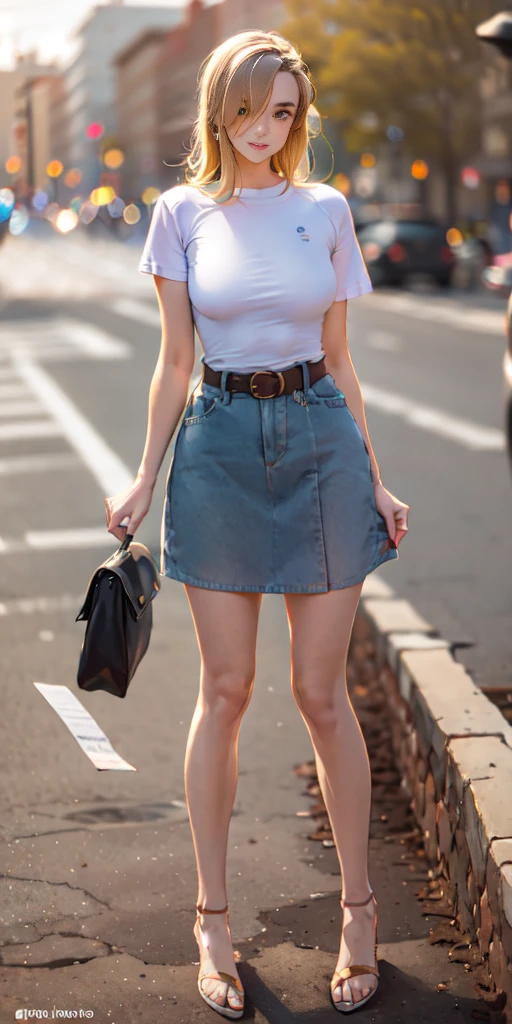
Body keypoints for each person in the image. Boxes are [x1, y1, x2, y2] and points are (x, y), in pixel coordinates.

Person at [104, 29, 409, 1019]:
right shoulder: (180, 213)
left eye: (282, 112)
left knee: (319, 695)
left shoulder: (323, 208)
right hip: (220, 446)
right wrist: (143, 474)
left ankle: (359, 914)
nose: (264, 131)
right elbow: (172, 360)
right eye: (248, 110)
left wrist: (377, 475)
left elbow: (342, 357)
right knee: (225, 689)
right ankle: (213, 919)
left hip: (319, 438)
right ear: (218, 110)